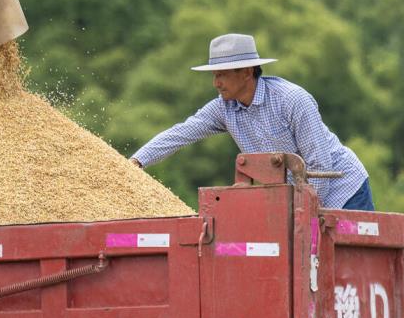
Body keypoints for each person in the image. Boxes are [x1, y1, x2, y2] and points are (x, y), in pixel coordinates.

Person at [129, 33, 374, 211]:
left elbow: (319, 164)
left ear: (246, 72)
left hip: (344, 191)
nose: (216, 83)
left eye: (222, 75)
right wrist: (136, 162)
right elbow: (182, 132)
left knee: (349, 274)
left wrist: (305, 213)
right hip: (298, 200)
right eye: (215, 75)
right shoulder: (223, 108)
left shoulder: (292, 100)